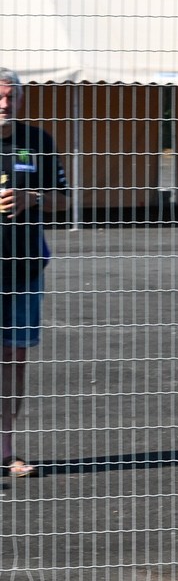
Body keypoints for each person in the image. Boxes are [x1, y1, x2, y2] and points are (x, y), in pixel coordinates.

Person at [0, 69, 67, 482]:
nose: (5, 105)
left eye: (12, 97)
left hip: (24, 268)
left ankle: (5, 449)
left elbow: (63, 201)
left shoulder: (38, 142)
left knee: (15, 359)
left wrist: (32, 196)